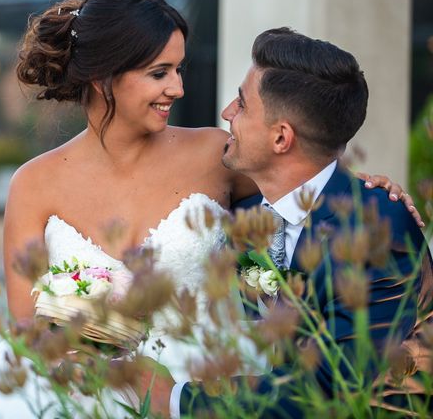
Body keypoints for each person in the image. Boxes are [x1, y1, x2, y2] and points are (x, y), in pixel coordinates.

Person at [0, 0, 418, 418]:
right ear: (105, 78)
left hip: (201, 378)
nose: (178, 87)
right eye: (159, 72)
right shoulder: (32, 184)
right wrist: (91, 340)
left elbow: (303, 180)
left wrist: (371, 188)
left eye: (179, 69)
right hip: (80, 382)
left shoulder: (218, 155)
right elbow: (25, 328)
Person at [141, 27, 432, 418]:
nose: (227, 112)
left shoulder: (376, 230)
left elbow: (337, 389)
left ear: (282, 138)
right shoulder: (244, 216)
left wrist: (174, 400)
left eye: (242, 104)